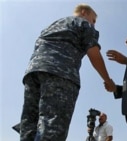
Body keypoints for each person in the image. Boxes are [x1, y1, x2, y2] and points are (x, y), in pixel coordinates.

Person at [19, 3, 115, 141]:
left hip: (33, 73)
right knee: (52, 126)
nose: (93, 24)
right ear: (84, 12)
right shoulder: (83, 24)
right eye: (93, 20)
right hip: (60, 74)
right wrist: (108, 81)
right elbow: (94, 53)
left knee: (29, 125)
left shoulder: (53, 25)